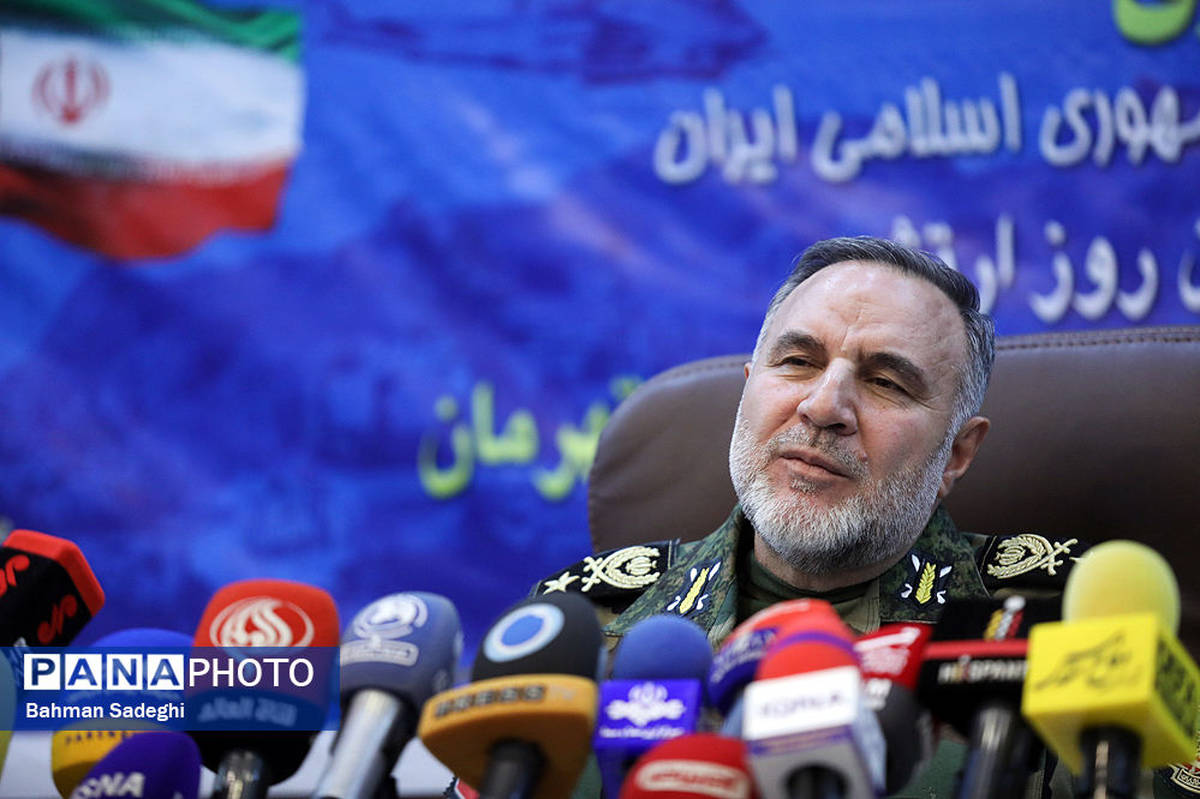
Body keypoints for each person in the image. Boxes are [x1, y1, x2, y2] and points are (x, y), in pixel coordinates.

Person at [522, 236, 1087, 798]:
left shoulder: (1061, 633)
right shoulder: (583, 629)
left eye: (886, 383)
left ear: (957, 454)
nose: (823, 407)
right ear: (748, 392)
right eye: (797, 362)